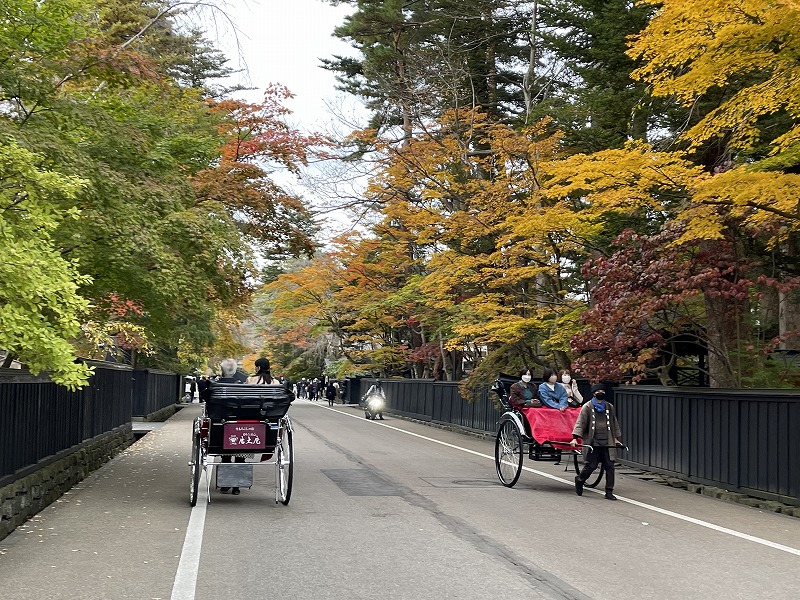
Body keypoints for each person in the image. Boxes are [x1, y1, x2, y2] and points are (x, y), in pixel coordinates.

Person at [571, 384, 623, 501]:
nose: (601, 393)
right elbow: (580, 423)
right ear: (593, 393)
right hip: (593, 442)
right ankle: (579, 480)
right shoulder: (587, 407)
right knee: (591, 466)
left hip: (607, 441)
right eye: (598, 391)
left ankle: (609, 491)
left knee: (610, 466)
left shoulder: (609, 407)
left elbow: (614, 423)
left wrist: (615, 439)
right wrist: (575, 438)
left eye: (602, 391)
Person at [215, 358, 244, 495]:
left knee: (226, 455)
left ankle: (226, 484)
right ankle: (237, 486)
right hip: (241, 424)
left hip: (221, 424)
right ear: (235, 370)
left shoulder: (215, 385)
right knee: (240, 454)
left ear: (222, 370)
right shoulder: (243, 385)